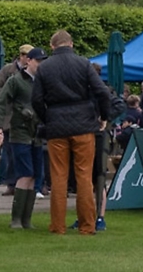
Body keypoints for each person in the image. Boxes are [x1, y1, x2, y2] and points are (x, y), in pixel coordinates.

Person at [32, 29, 112, 235]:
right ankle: (87, 225)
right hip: (84, 125)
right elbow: (102, 92)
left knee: (58, 177)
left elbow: (36, 100)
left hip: (56, 126)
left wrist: (46, 117)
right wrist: (103, 117)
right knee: (84, 176)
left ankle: (57, 226)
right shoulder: (84, 63)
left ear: (52, 46)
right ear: (71, 44)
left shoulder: (44, 67)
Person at [0, 47, 45, 229]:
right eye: (38, 61)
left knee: (34, 175)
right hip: (19, 132)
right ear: (28, 61)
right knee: (25, 173)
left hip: (37, 133)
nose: (40, 65)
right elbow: (1, 103)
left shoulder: (43, 81)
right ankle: (16, 219)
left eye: (42, 61)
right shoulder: (15, 81)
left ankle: (26, 219)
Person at [0, 44, 31, 196]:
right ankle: (11, 183)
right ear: (20, 56)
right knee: (10, 153)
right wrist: (10, 93)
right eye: (26, 55)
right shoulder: (8, 70)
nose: (28, 59)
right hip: (9, 118)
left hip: (28, 119)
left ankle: (33, 183)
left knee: (28, 152)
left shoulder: (34, 71)